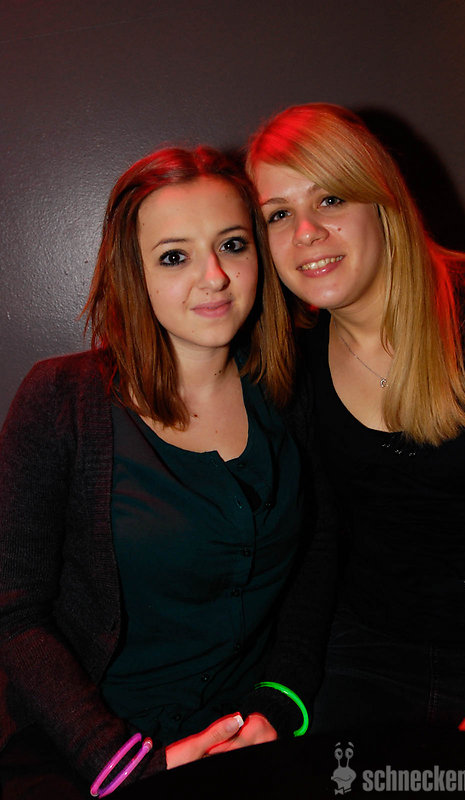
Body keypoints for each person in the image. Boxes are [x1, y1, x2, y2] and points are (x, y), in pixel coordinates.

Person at [0, 145, 335, 797]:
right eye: (175, 256)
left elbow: (318, 559)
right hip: (88, 757)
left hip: (246, 740)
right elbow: (13, 613)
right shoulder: (60, 400)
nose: (214, 276)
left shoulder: (292, 393)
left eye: (232, 245)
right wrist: (124, 763)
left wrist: (279, 703)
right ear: (136, 273)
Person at [247, 102, 465, 737]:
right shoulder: (292, 364)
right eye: (278, 214)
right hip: (372, 653)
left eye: (329, 200)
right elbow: (314, 551)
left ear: (382, 202)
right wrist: (276, 702)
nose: (306, 232)